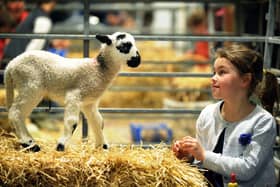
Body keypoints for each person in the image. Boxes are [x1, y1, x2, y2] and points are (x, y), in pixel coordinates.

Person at [172, 44, 277, 186]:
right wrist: (189, 156)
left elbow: (247, 169)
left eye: (222, 72)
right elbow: (202, 163)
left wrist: (203, 154)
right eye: (214, 72)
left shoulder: (263, 122)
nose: (213, 78)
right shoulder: (207, 114)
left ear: (245, 80)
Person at [2, 0, 56, 66]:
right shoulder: (42, 19)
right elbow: (35, 47)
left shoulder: (33, 14)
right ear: (53, 2)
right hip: (16, 65)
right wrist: (25, 66)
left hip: (10, 62)